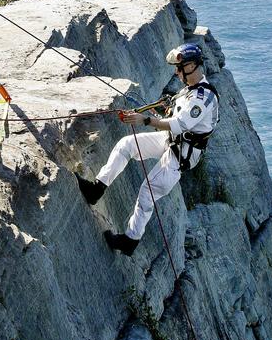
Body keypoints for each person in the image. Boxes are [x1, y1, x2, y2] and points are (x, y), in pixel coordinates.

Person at [76, 43, 219, 256]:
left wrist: (144, 119)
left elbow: (179, 124)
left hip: (180, 156)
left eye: (178, 68)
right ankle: (97, 188)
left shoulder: (203, 98)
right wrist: (155, 111)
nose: (176, 72)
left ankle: (130, 240)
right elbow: (174, 117)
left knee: (147, 192)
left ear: (190, 66)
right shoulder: (189, 91)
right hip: (172, 141)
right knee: (127, 145)